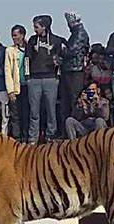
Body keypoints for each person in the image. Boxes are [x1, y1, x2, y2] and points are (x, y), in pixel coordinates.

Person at [26, 15, 64, 144]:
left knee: (51, 110)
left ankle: (51, 136)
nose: (34, 29)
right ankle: (33, 138)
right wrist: (28, 77)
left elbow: (63, 57)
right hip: (34, 79)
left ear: (44, 26)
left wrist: (57, 70)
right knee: (34, 111)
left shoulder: (57, 40)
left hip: (51, 79)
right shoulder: (32, 40)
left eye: (37, 27)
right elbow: (27, 59)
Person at [60, 12, 90, 137]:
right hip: (69, 71)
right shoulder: (75, 34)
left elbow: (71, 51)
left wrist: (61, 49)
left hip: (75, 72)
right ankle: (66, 131)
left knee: (74, 102)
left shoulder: (80, 34)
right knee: (65, 103)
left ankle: (75, 131)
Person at [5, 25, 29, 142]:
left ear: (22, 35)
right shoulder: (9, 51)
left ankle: (26, 137)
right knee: (15, 114)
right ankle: (16, 137)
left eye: (16, 35)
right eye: (12, 36)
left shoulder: (30, 48)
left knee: (27, 113)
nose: (14, 38)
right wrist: (10, 90)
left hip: (28, 86)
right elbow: (7, 70)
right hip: (16, 86)